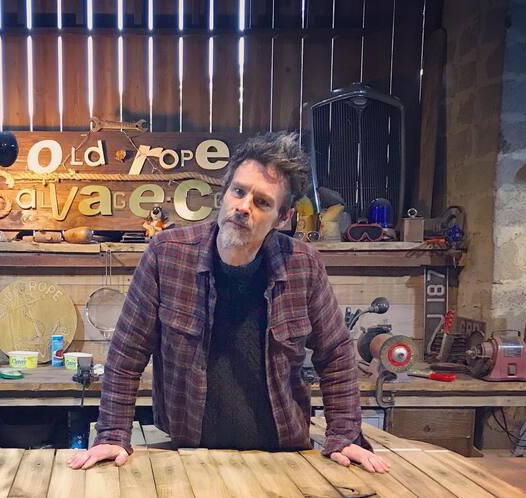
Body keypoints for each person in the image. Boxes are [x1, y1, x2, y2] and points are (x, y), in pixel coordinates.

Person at [69, 131, 389, 474]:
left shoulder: (303, 265)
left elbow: (336, 353)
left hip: (282, 455)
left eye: (262, 202)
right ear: (224, 193)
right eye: (238, 191)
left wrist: (345, 435)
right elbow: (127, 351)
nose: (243, 207)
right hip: (190, 453)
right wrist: (113, 434)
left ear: (282, 218)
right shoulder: (166, 255)